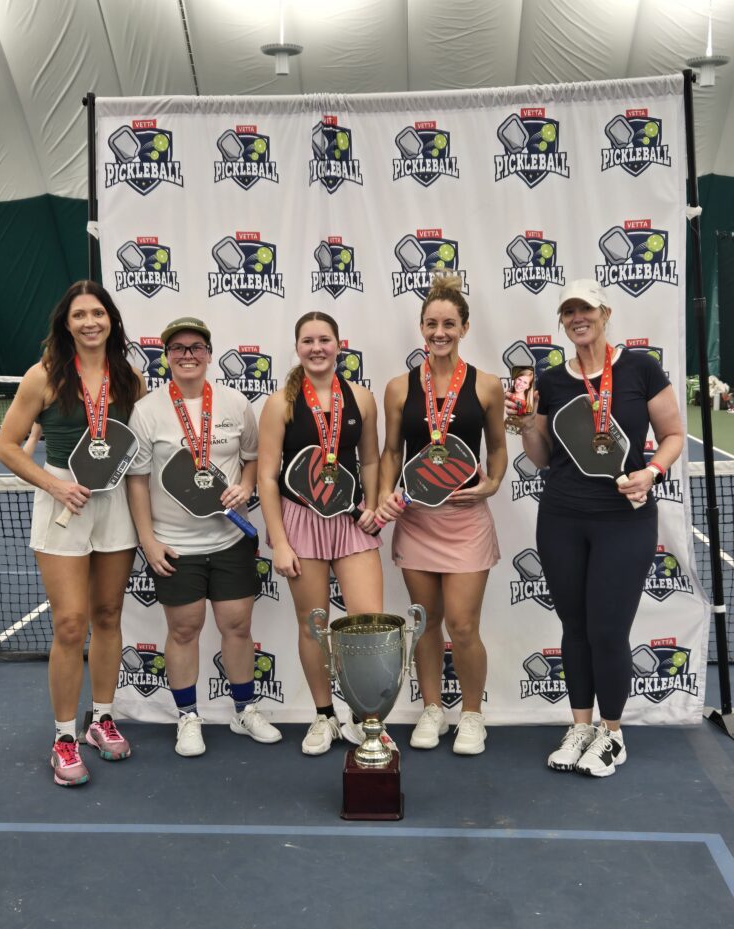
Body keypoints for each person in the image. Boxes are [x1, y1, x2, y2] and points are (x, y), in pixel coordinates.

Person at [510, 279, 684, 777]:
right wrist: (526, 424)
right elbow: (542, 458)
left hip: (623, 520)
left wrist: (652, 472)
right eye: (568, 311)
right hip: (561, 517)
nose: (577, 318)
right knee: (575, 627)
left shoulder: (640, 368)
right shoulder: (550, 381)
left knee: (607, 629)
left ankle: (612, 734)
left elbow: (673, 434)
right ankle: (581, 727)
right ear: (562, 321)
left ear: (605, 313)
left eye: (585, 309)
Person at [0, 280, 145, 786]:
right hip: (63, 498)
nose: (89, 322)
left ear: (111, 320)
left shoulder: (130, 378)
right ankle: (63, 737)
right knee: (69, 623)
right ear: (66, 323)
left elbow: (138, 446)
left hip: (115, 504)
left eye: (97, 313)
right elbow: (7, 446)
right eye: (79, 314)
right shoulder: (43, 375)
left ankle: (101, 719)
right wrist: (55, 486)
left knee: (108, 615)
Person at [126, 316, 282, 757]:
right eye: (178, 348)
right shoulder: (147, 410)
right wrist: (148, 541)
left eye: (196, 347)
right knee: (183, 630)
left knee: (237, 626)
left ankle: (244, 710)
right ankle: (188, 717)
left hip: (230, 541)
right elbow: (137, 480)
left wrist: (246, 487)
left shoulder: (235, 403)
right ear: (167, 357)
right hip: (175, 546)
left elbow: (252, 458)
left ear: (209, 355)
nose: (188, 355)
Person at [376, 274, 507, 755]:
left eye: (449, 324)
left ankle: (472, 715)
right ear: (421, 327)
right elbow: (392, 451)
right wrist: (385, 494)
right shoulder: (398, 388)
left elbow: (498, 448)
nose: (439, 332)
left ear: (464, 328)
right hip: (417, 521)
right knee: (426, 622)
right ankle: (432, 709)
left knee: (463, 626)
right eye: (431, 323)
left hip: (466, 521)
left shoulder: (487, 385)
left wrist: (492, 484)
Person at [257, 311, 385, 755]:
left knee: (367, 623)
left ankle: (366, 716)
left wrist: (373, 505)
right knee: (314, 624)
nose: (317, 348)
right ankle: (324, 715)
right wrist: (279, 541)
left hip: (350, 519)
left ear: (338, 345)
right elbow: (267, 477)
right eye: (308, 341)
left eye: (324, 339)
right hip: (300, 521)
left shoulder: (362, 398)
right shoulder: (280, 403)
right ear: (297, 347)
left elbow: (371, 460)